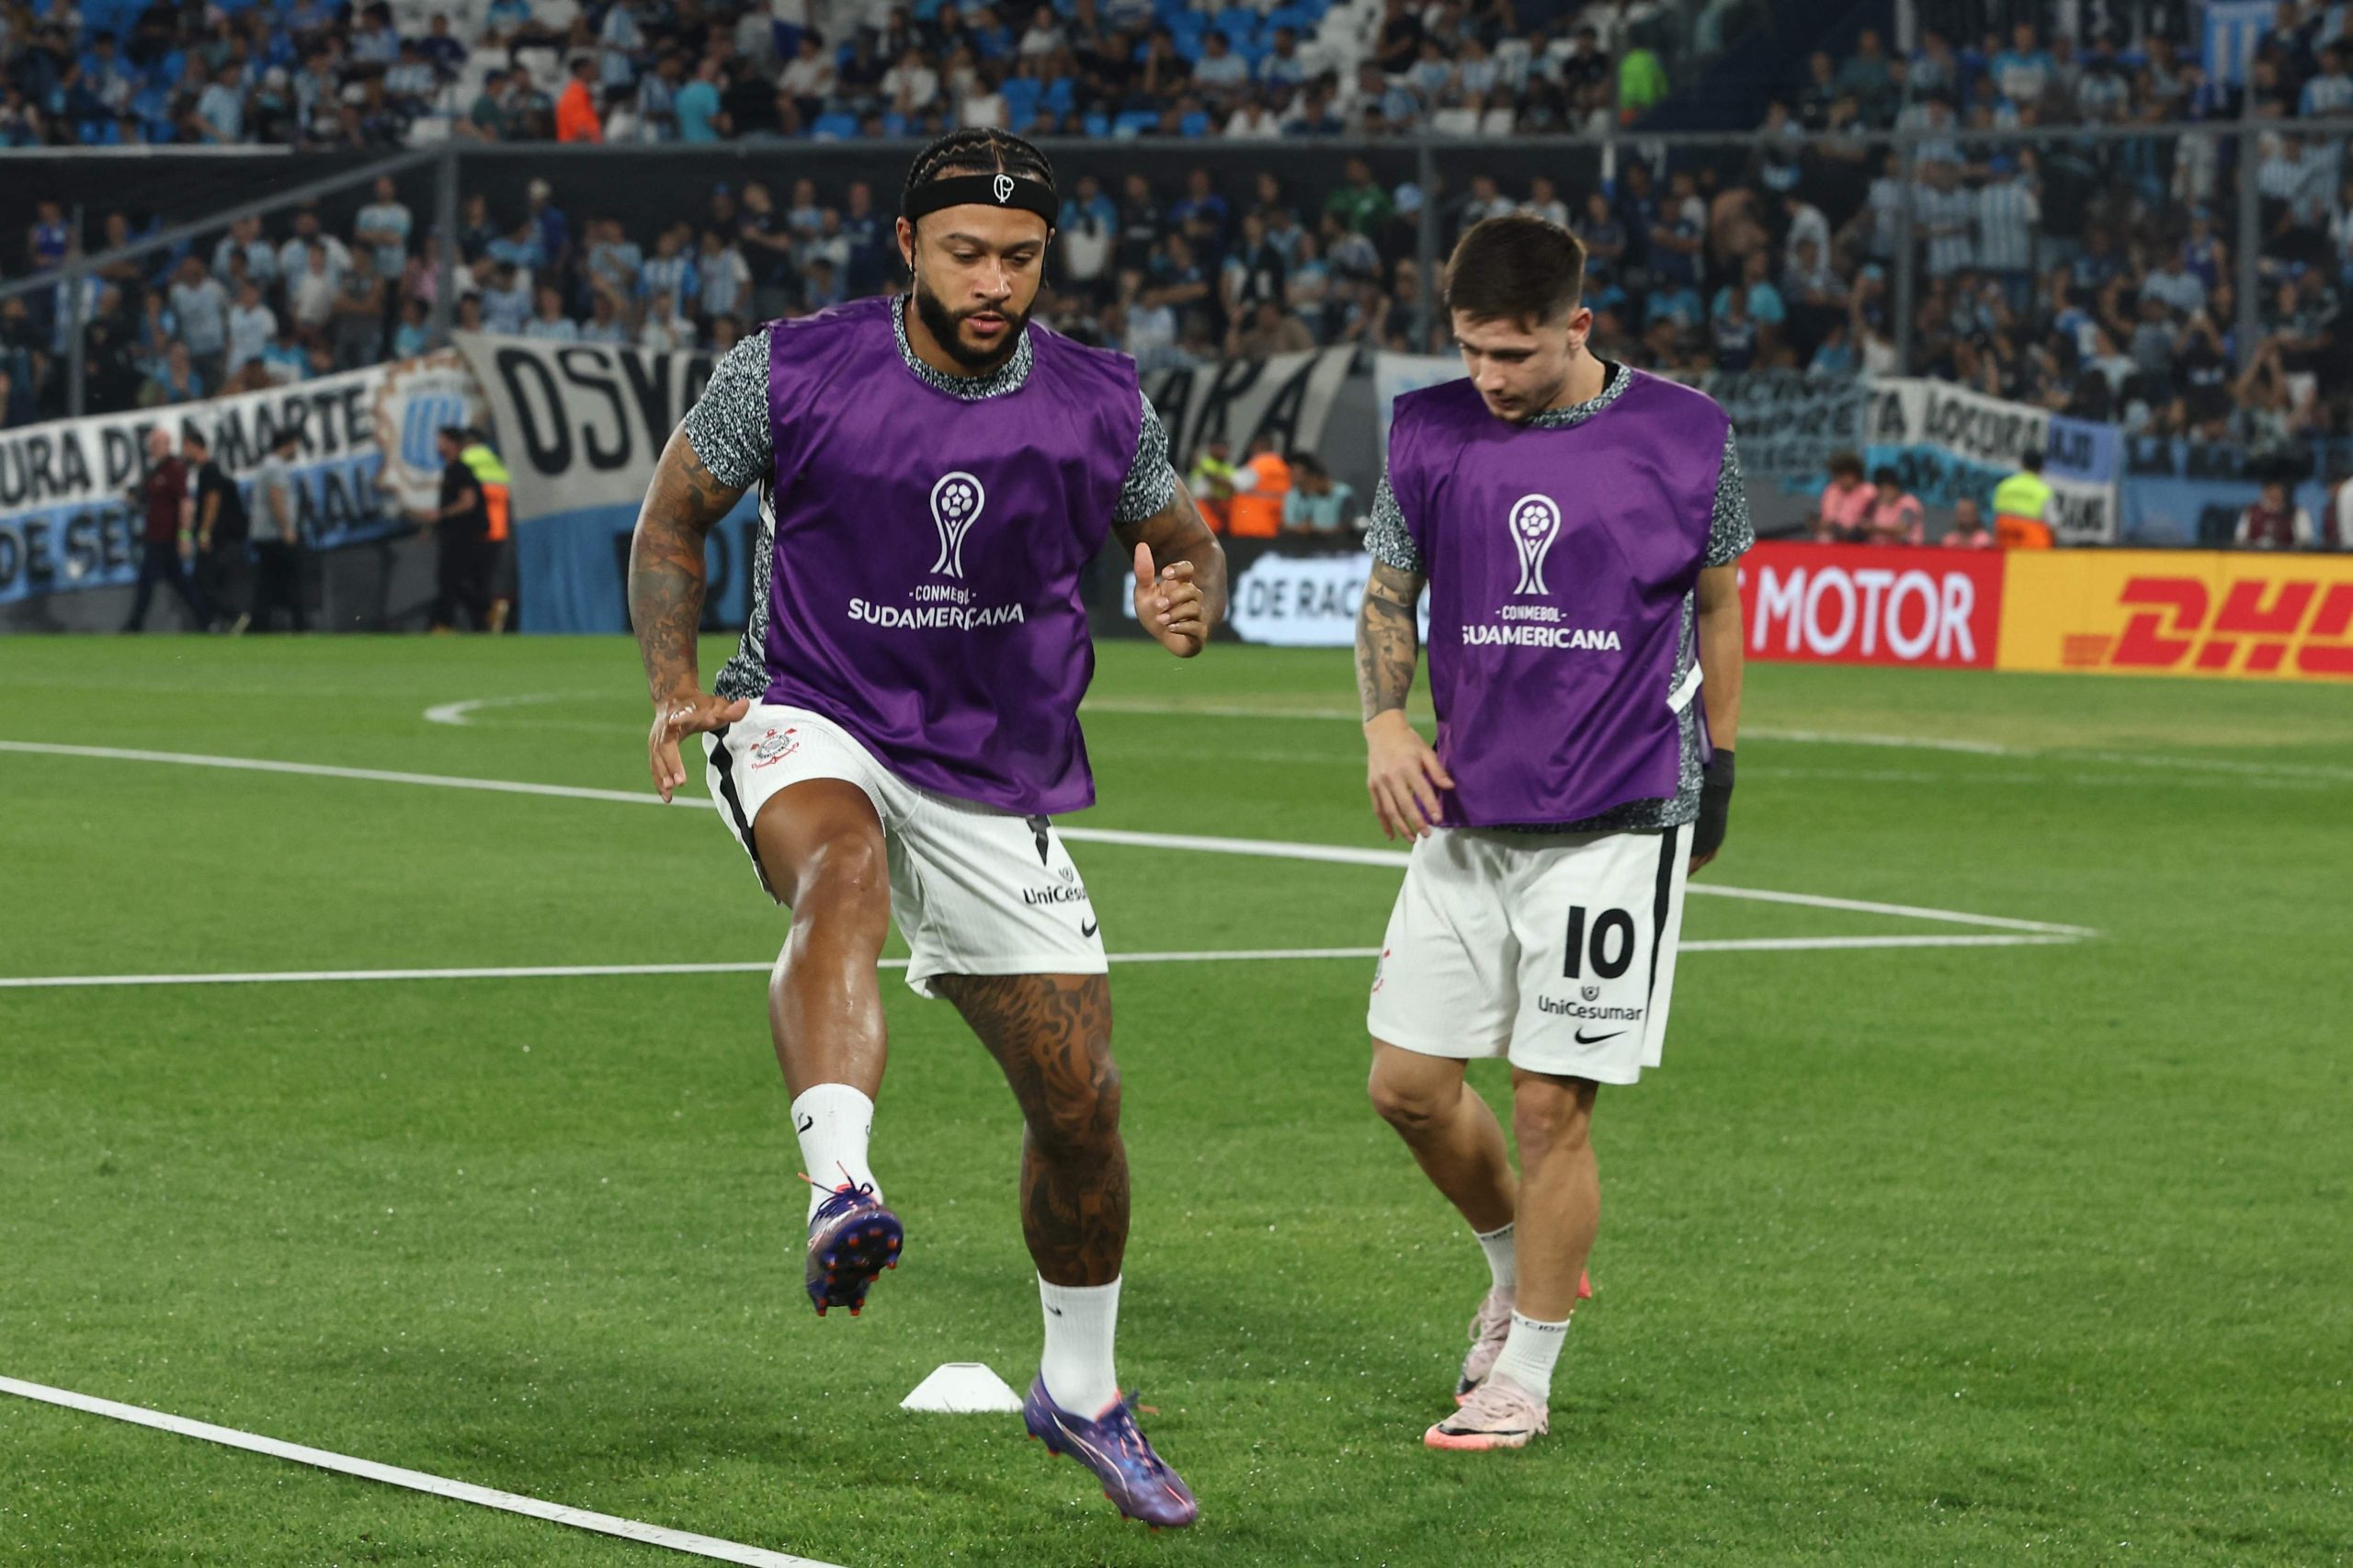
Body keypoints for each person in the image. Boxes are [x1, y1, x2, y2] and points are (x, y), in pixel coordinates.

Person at [625, 129, 1224, 1528]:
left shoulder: (1098, 401)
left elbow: (1184, 540)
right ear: (908, 247)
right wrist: (673, 684)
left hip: (990, 768)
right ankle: (842, 1187)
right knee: (841, 869)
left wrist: (1187, 595)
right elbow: (671, 522)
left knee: (1081, 1102)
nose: (995, 280)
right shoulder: (789, 366)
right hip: (807, 708)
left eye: (1021, 257)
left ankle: (1081, 1395)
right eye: (966, 251)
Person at [1354, 214, 1747, 1453]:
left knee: (1547, 1101)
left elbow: (1722, 601)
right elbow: (1385, 591)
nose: (1489, 378)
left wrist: (1723, 762)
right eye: (1470, 350)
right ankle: (1527, 1258)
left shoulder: (1688, 435)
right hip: (1468, 808)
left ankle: (1522, 1371)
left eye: (1514, 354)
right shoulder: (1426, 429)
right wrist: (1383, 723)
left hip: (1618, 814)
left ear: (1580, 327)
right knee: (1408, 1088)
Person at [121, 426, 210, 632]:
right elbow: (145, 494)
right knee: (180, 583)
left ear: (166, 445)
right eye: (151, 444)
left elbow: (185, 504)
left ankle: (134, 625)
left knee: (148, 582)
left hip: (166, 537)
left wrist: (184, 535)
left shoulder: (174, 469)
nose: (152, 448)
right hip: (157, 535)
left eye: (156, 444)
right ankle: (207, 620)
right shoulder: (156, 471)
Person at [416, 426, 491, 630]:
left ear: (451, 443)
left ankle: (446, 624)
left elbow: (468, 502)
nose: (437, 445)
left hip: (463, 537)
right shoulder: (451, 470)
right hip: (454, 536)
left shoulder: (460, 470)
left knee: (450, 583)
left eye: (440, 440)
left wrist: (441, 515)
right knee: (452, 584)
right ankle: (478, 616)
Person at [186, 431, 253, 633]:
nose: (184, 452)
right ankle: (224, 619)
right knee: (209, 579)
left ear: (195, 446)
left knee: (202, 578)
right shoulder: (210, 470)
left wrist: (204, 533)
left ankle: (232, 616)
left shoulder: (209, 470)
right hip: (223, 536)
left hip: (217, 537)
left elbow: (212, 501)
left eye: (186, 447)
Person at [456, 427, 517, 631]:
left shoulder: (466, 461)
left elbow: (464, 498)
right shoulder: (495, 461)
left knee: (463, 582)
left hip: (477, 531)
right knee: (493, 580)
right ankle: (496, 616)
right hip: (501, 530)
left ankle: (486, 620)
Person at [251, 426, 309, 631]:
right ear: (288, 444)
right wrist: (287, 528)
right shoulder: (275, 467)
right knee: (292, 579)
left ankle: (259, 626)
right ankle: (301, 626)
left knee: (267, 584)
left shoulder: (268, 464)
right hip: (274, 535)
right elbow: (277, 499)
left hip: (264, 534)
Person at [1223, 431, 1290, 538]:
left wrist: (1207, 473)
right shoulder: (1282, 468)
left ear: (1257, 445)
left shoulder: (1259, 465)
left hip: (1250, 527)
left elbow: (1231, 484)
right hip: (1271, 528)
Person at [1992, 449, 2057, 549]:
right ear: (2041, 467)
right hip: (2032, 549)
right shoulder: (2043, 491)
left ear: (2022, 464)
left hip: (2005, 544)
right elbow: (2053, 524)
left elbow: (1996, 516)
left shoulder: (2005, 486)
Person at [1282, 451, 1358, 536]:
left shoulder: (1344, 494)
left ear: (1316, 477)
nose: (1309, 489)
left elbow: (1346, 528)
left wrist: (1316, 531)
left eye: (1309, 483)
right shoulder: (1309, 496)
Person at [2234, 479, 2314, 549]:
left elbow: (2305, 543)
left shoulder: (2298, 513)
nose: (2275, 494)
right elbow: (2240, 541)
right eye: (2271, 490)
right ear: (2264, 492)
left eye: (2279, 491)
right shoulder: (2251, 512)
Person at [1812, 449, 1871, 541]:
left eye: (1846, 475)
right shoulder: (1832, 490)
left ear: (1856, 475)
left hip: (1860, 538)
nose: (1842, 480)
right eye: (1839, 476)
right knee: (1824, 537)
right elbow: (1828, 517)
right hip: (1834, 536)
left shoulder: (1868, 491)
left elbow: (1871, 519)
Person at [1863, 465, 1925, 546]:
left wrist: (1874, 529)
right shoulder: (1877, 505)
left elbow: (1903, 529)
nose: (1884, 492)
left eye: (1887, 488)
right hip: (1881, 550)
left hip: (1907, 550)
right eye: (1881, 489)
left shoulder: (1909, 503)